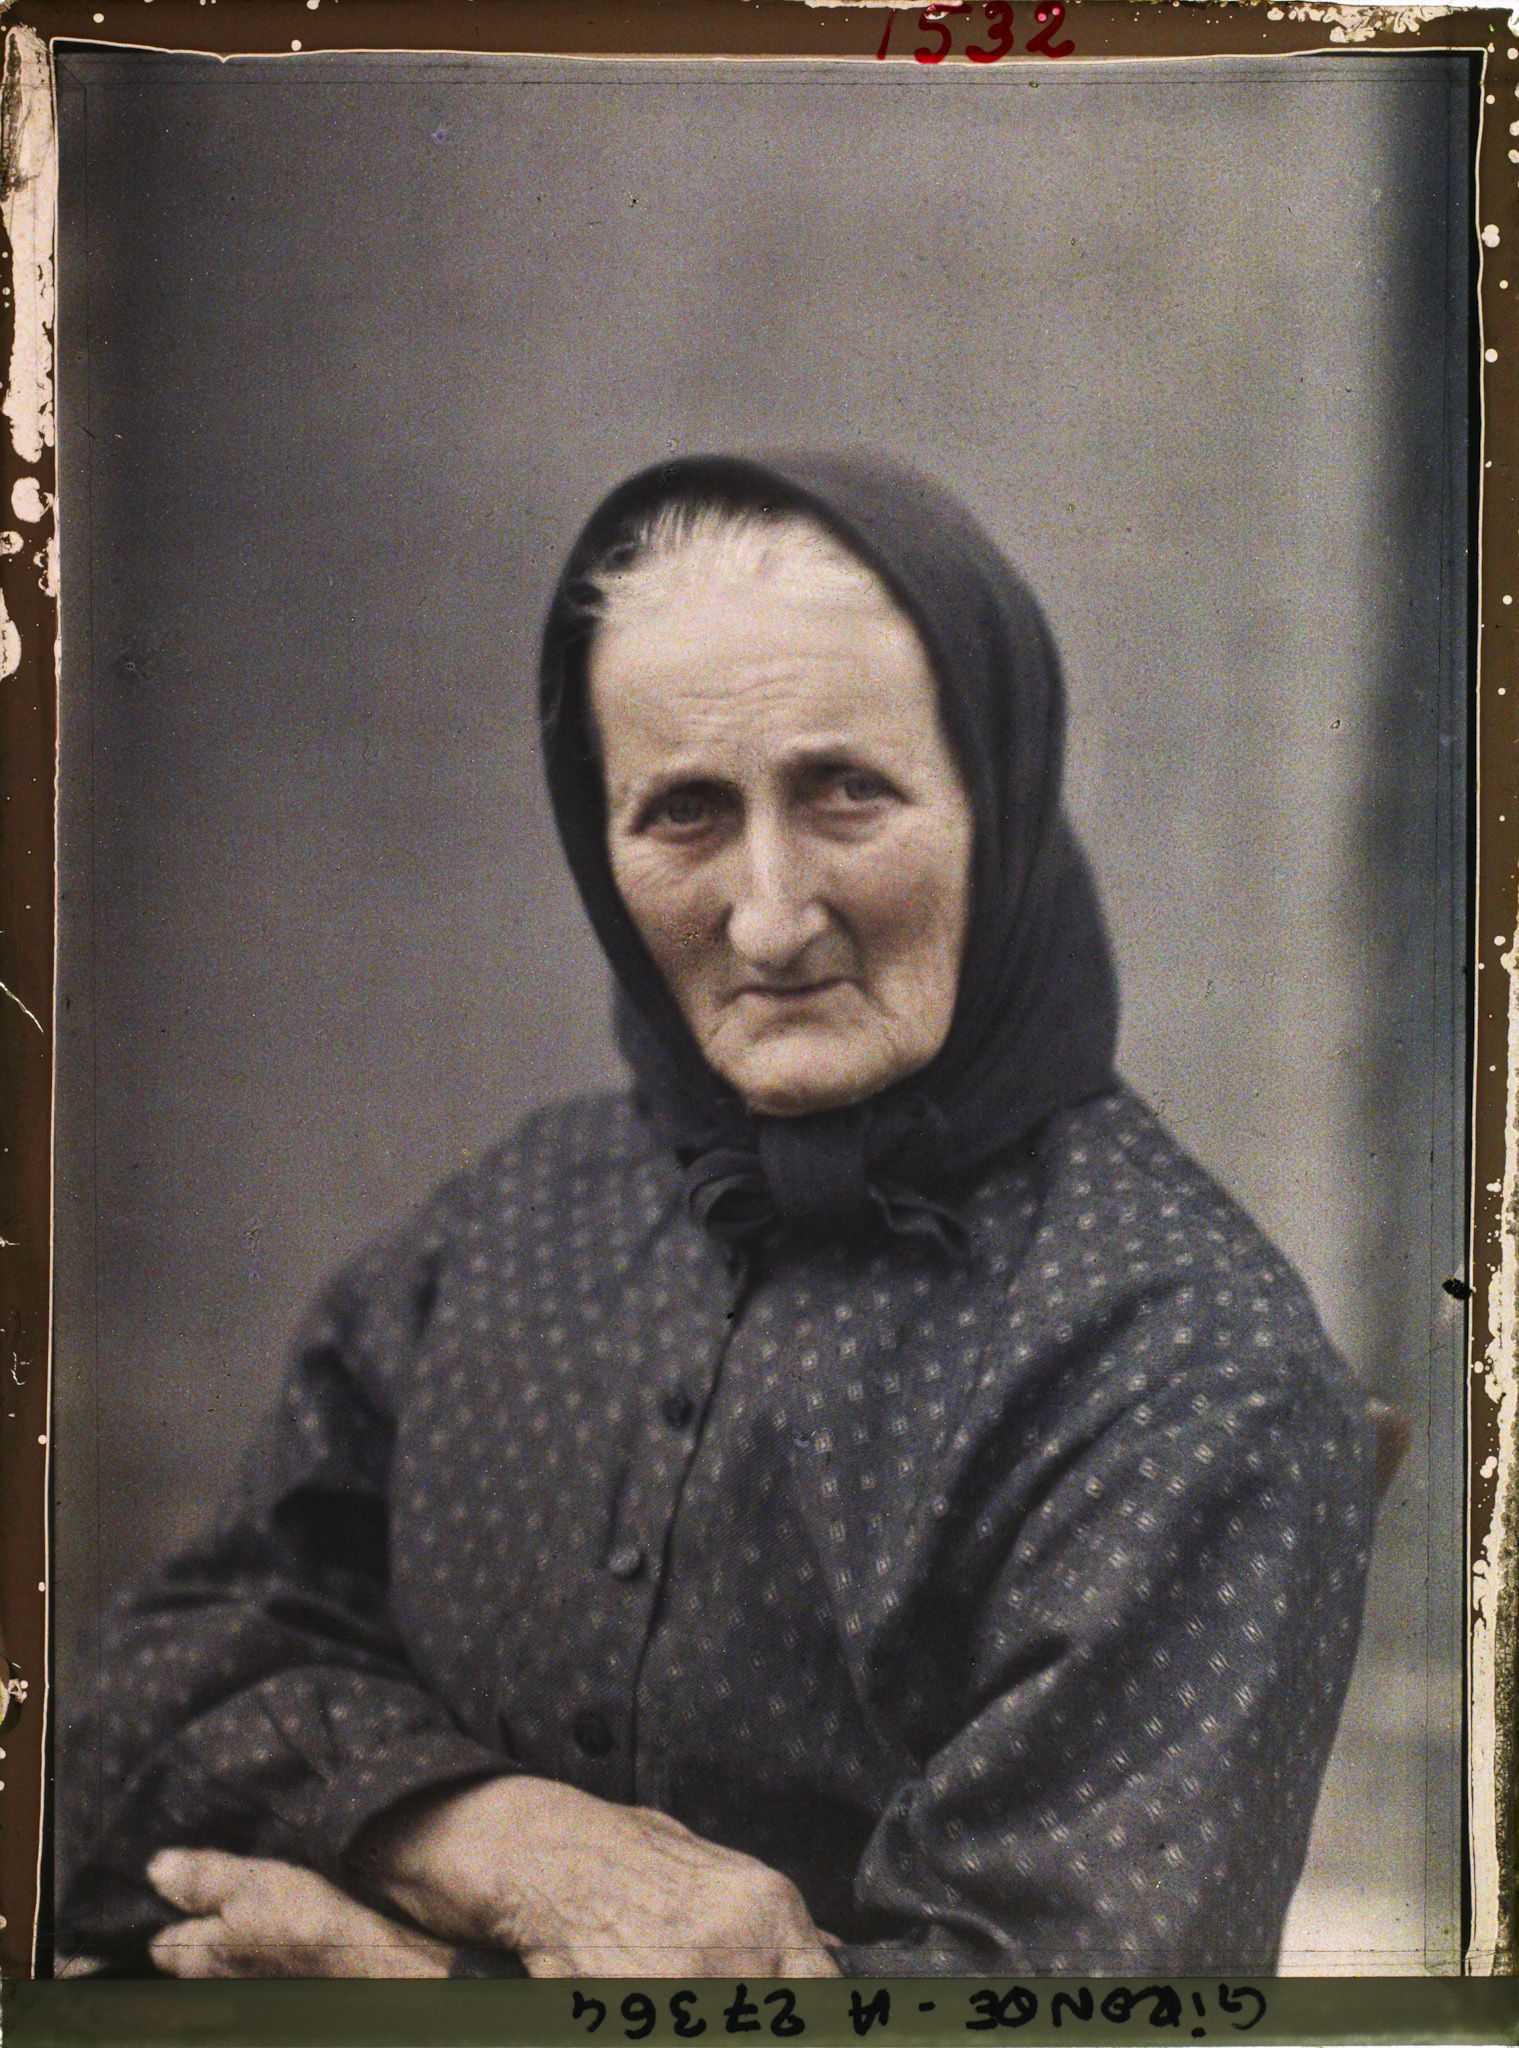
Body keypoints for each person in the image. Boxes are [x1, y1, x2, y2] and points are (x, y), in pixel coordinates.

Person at [58, 452, 1377, 1980]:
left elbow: (1063, 2023)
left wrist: (419, 1992)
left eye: (848, 794)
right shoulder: (506, 1226)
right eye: (683, 812)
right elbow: (133, 1720)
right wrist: (494, 1847)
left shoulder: (1187, 1368)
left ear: (999, 801)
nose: (767, 915)